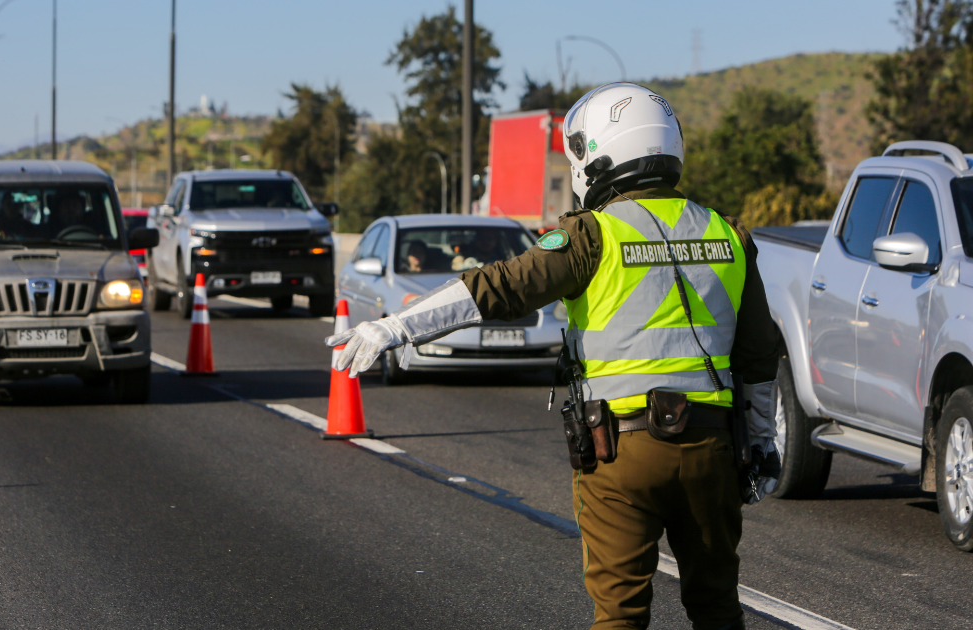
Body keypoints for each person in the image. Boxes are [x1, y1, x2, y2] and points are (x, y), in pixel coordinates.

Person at [327, 83, 780, 630]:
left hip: (622, 450)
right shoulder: (729, 235)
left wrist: (397, 326)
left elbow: (494, 288)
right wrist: (759, 444)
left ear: (599, 153)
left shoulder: (593, 234)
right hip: (711, 449)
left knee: (620, 615)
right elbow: (759, 355)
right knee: (716, 609)